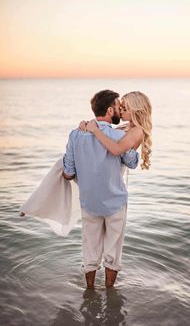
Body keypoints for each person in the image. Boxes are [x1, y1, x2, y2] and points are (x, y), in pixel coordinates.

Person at [63, 90, 139, 289]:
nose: (120, 110)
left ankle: (89, 292)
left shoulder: (76, 134)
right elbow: (131, 162)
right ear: (110, 109)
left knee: (90, 250)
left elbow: (68, 173)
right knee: (113, 252)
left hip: (89, 202)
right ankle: (110, 292)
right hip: (115, 202)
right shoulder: (118, 135)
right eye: (118, 107)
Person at [83, 91, 152, 170]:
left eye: (125, 109)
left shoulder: (138, 131)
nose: (121, 111)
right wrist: (87, 124)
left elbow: (117, 150)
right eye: (121, 108)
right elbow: (107, 135)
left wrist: (95, 130)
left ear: (136, 111)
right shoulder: (126, 126)